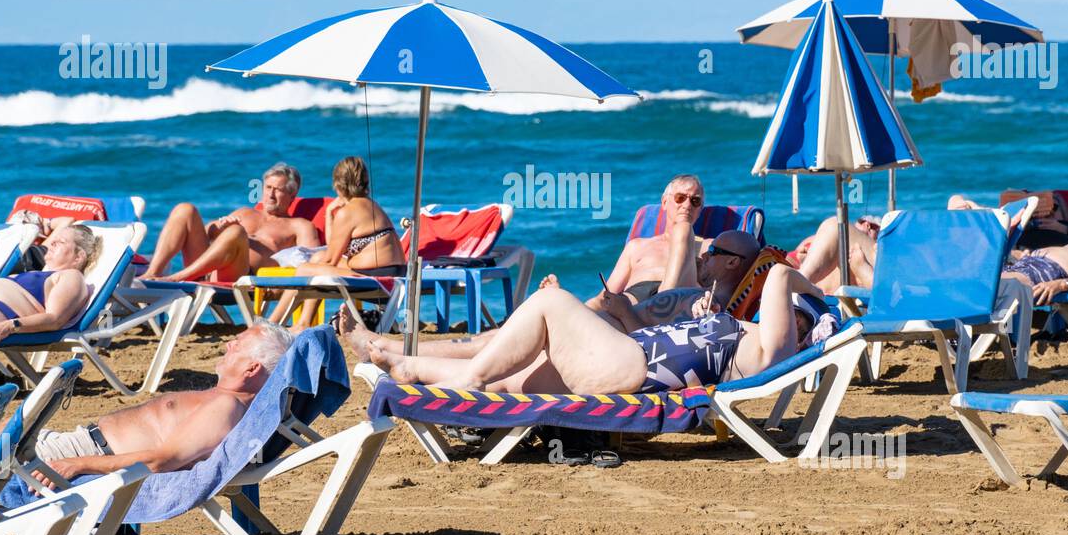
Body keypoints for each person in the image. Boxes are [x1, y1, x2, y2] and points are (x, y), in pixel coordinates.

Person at [0, 322, 294, 485]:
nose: (229, 343)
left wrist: (80, 464)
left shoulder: (225, 408)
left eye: (238, 343)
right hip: (82, 443)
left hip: (85, 453)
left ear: (252, 367)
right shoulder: (225, 400)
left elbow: (164, 459)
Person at [364, 262, 829, 397]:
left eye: (795, 315)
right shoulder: (758, 341)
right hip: (626, 360)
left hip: (632, 365)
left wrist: (819, 301)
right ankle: (409, 366)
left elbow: (781, 273)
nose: (783, 313)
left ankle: (464, 377)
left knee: (549, 302)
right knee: (513, 377)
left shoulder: (774, 349)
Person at [339, 229, 764, 363]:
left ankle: (393, 351)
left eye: (713, 253)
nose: (703, 256)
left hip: (608, 349)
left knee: (495, 343)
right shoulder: (701, 295)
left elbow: (662, 353)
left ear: (731, 263)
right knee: (495, 341)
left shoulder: (716, 311)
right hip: (601, 329)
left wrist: (622, 311)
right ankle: (393, 349)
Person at [269, 157, 406, 331]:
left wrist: (309, 265)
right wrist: (329, 214)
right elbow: (331, 251)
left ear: (338, 184)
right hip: (393, 275)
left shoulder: (349, 212)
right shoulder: (371, 205)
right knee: (317, 258)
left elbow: (331, 259)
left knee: (304, 269)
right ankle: (302, 323)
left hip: (377, 280)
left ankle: (271, 324)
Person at [140, 162, 320, 282]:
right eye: (268, 188)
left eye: (278, 190)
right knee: (185, 209)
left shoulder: (300, 226)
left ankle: (176, 278)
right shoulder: (246, 212)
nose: (270, 195)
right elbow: (207, 233)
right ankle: (152, 273)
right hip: (207, 269)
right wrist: (218, 227)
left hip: (241, 276)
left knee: (237, 232)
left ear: (292, 195)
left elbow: (309, 264)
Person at [592, 174, 711, 309]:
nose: (687, 205)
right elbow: (603, 298)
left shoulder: (709, 247)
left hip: (678, 301)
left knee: (683, 229)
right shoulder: (636, 246)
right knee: (564, 300)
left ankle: (662, 303)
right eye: (680, 198)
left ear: (700, 210)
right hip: (635, 302)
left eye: (695, 201)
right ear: (665, 202)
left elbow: (721, 290)